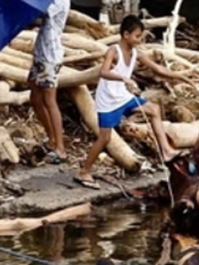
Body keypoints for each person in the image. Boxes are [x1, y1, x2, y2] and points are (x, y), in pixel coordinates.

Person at [76, 14, 181, 189]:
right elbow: (103, 72)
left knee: (154, 109)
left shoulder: (135, 54)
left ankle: (166, 150)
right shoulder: (113, 51)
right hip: (108, 99)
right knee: (104, 138)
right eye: (137, 36)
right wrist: (124, 80)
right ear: (126, 35)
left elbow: (157, 68)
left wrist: (181, 76)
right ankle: (84, 172)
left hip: (123, 96)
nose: (139, 40)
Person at [28, 0, 70, 164]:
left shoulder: (61, 0)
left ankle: (60, 148)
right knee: (35, 97)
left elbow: (42, 12)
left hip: (50, 57)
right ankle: (51, 138)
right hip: (41, 53)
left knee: (49, 99)